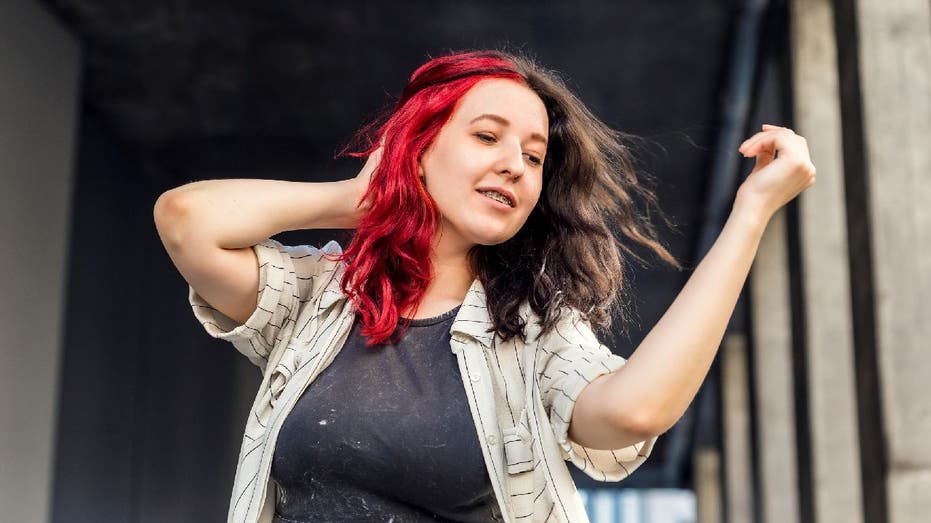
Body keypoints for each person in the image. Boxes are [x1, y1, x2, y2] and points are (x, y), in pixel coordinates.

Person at [154, 50, 816, 523]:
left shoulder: (530, 331)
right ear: (418, 147)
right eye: (487, 136)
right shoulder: (319, 299)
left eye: (533, 157)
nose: (513, 165)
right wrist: (362, 197)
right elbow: (187, 222)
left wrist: (749, 213)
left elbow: (632, 412)